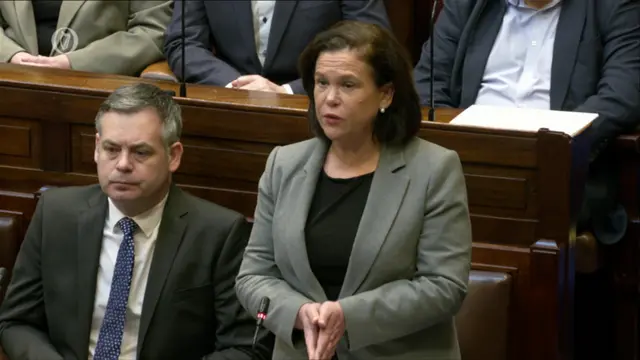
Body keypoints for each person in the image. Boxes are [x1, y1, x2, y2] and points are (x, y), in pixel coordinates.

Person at [235, 20, 472, 360]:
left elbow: (444, 286)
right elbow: (253, 277)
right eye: (321, 83)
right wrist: (299, 313)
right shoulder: (283, 164)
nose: (330, 98)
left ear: (386, 94)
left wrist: (348, 317)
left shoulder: (434, 169)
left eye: (348, 84)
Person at [0, 83, 273, 360]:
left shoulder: (218, 233)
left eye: (140, 152)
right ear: (96, 148)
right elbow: (17, 322)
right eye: (111, 149)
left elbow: (245, 347)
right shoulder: (56, 214)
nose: (122, 164)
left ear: (173, 155)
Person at [413, 0, 640, 248]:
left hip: (556, 171)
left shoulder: (611, 6)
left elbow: (622, 95)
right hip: (465, 165)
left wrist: (543, 147)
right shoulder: (467, 5)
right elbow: (427, 83)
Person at [163, 0, 390, 95]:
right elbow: (182, 41)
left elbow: (372, 46)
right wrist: (237, 86)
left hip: (314, 105)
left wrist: (288, 92)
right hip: (226, 100)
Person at [0, 1, 172, 76]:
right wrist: (11, 55)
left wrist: (75, 62)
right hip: (12, 79)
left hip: (100, 87)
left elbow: (152, 31)